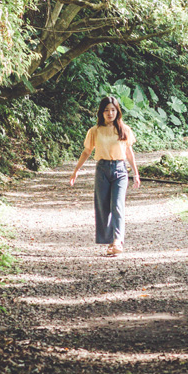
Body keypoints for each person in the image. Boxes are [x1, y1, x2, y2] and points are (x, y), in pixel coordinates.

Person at [69, 96, 141, 256]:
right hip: (102, 169)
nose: (110, 113)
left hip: (120, 170)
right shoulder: (94, 131)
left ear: (118, 111)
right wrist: (76, 170)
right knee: (103, 207)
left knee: (117, 205)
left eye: (113, 110)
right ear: (101, 112)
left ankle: (117, 241)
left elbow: (129, 152)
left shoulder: (124, 129)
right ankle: (110, 242)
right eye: (106, 110)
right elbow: (87, 151)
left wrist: (136, 172)